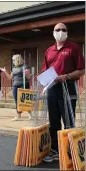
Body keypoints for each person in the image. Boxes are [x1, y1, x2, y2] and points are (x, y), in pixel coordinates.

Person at [41, 23, 85, 163]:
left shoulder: (74, 47)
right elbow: (45, 71)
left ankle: (69, 152)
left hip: (68, 87)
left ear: (67, 32)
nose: (60, 31)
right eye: (58, 30)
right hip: (52, 89)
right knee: (54, 122)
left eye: (63, 29)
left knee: (68, 121)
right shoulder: (49, 50)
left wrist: (66, 76)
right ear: (53, 32)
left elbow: (82, 70)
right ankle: (55, 151)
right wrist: (33, 78)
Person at [2, 54, 31, 121]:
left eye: (13, 60)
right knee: (17, 101)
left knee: (25, 100)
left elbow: (29, 77)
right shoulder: (14, 68)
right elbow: (10, 78)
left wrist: (27, 74)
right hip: (15, 85)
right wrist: (5, 71)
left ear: (17, 59)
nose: (12, 61)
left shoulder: (24, 66)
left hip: (23, 85)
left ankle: (30, 114)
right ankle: (18, 116)